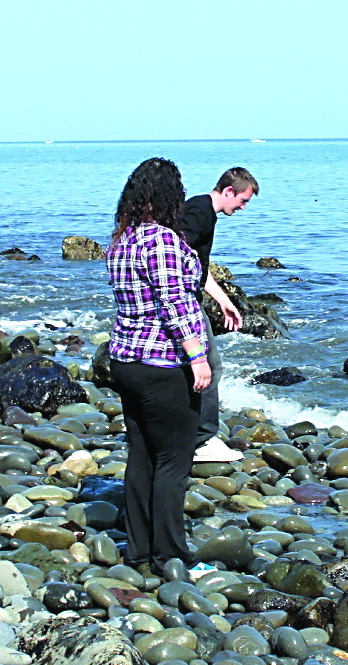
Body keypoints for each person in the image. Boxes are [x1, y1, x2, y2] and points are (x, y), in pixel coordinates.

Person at [105, 158, 213, 575]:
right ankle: (170, 552)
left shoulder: (122, 241)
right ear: (170, 195)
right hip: (161, 361)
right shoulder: (163, 241)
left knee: (142, 453)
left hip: (124, 358)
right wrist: (198, 357)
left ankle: (139, 549)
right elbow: (175, 302)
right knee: (173, 457)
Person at [179, 167, 258, 462]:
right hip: (183, 302)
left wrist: (224, 301)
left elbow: (198, 266)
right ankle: (203, 440)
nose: (243, 207)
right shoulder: (199, 212)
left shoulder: (203, 211)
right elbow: (177, 255)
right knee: (209, 365)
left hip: (187, 298)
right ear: (228, 191)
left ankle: (185, 431)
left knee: (188, 369)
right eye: (243, 200)